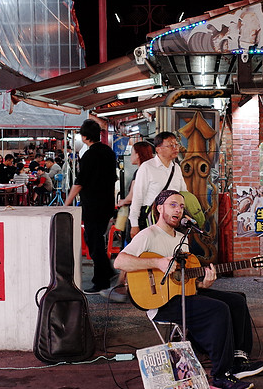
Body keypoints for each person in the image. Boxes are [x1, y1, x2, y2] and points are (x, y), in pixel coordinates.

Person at [113, 189, 263, 389]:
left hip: (181, 294)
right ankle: (221, 375)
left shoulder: (182, 238)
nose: (178, 210)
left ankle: (238, 360)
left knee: (236, 300)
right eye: (173, 205)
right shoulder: (148, 235)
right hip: (161, 302)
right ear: (160, 208)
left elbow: (185, 280)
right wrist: (157, 262)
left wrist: (203, 284)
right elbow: (120, 261)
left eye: (182, 206)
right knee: (218, 309)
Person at [64, 119, 118, 294]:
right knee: (95, 240)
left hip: (93, 206)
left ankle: (102, 280)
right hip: (107, 204)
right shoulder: (109, 152)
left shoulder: (89, 155)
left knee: (93, 242)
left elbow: (80, 182)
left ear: (84, 136)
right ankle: (106, 274)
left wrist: (67, 202)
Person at [104, 140, 156, 303]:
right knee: (136, 251)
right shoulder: (153, 170)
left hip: (138, 218)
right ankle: (124, 286)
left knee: (130, 251)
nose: (131, 156)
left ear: (139, 154)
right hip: (150, 217)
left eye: (133, 152)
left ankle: (121, 287)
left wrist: (122, 202)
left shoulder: (139, 172)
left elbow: (132, 197)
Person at [130, 131, 187, 232]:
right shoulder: (147, 167)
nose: (175, 148)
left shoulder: (176, 168)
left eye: (176, 144)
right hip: (153, 218)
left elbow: (183, 193)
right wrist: (134, 224)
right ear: (158, 149)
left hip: (173, 219)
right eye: (170, 145)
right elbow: (138, 197)